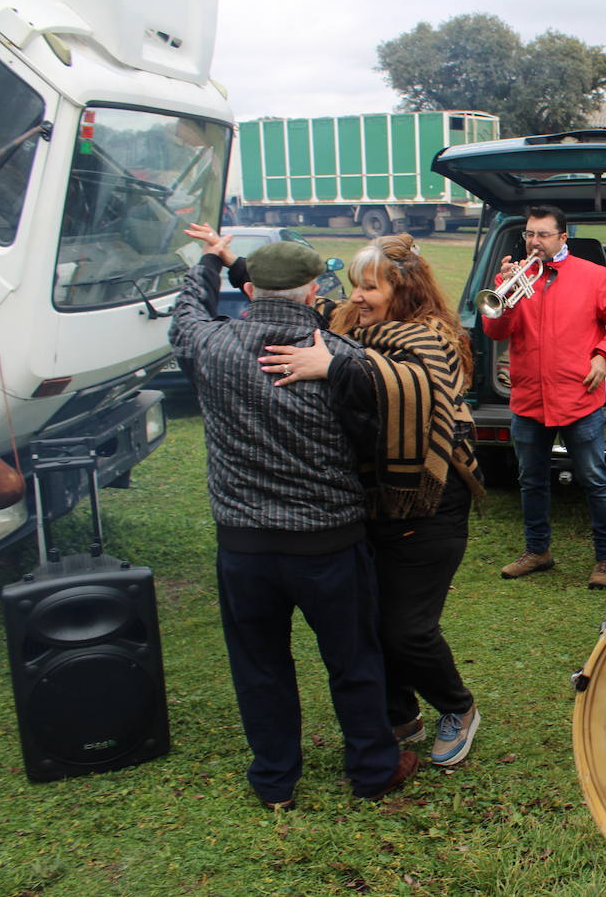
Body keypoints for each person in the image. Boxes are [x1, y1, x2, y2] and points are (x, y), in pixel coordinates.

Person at [170, 232, 416, 810]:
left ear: (250, 291)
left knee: (259, 666)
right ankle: (373, 770)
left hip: (244, 546)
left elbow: (185, 313)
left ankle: (275, 782)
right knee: (353, 660)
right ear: (313, 293)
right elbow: (374, 436)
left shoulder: (210, 346)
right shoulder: (341, 358)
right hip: (328, 542)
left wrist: (209, 259)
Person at [257, 233, 486, 768]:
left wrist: (337, 368)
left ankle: (458, 707)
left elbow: (419, 386)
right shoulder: (358, 329)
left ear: (402, 290)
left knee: (406, 628)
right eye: (355, 286)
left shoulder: (432, 339)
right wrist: (241, 266)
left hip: (429, 502)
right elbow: (323, 305)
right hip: (372, 500)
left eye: (369, 287)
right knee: (371, 618)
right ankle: (398, 710)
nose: (356, 297)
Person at [483, 205, 606, 589]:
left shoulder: (593, 276)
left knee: (595, 480)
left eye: (543, 235)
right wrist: (506, 291)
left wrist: (604, 358)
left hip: (579, 399)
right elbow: (496, 331)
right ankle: (538, 550)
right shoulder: (517, 278)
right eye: (530, 234)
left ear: (562, 238)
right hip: (529, 401)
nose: (534, 242)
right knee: (531, 480)